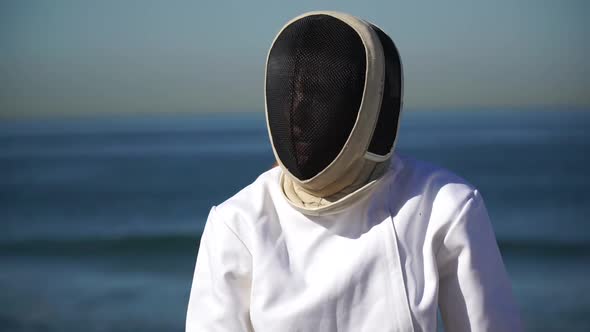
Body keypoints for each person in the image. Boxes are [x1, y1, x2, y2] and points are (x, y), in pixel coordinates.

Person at [186, 11, 522, 332]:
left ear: (369, 101)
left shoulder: (443, 206)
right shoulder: (237, 222)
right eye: (293, 94)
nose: (297, 113)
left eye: (317, 94)